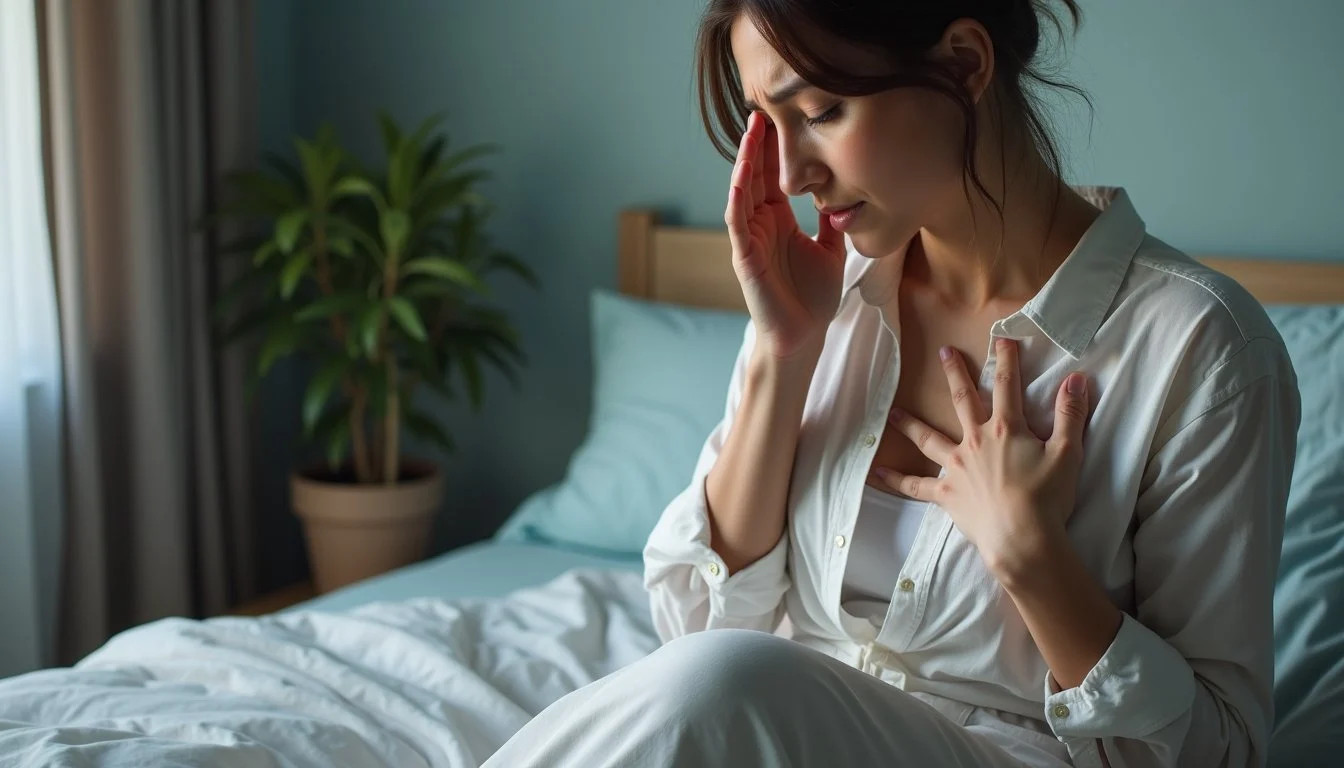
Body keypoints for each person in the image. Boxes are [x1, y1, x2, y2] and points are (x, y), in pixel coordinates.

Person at [485, 1, 1299, 766]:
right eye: (769, 128)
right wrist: (783, 352)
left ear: (965, 62)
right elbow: (693, 625)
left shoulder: (1204, 350)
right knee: (715, 680)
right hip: (760, 739)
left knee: (724, 688)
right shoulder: (823, 298)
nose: (795, 173)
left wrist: (1033, 562)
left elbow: (1220, 749)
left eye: (819, 113)